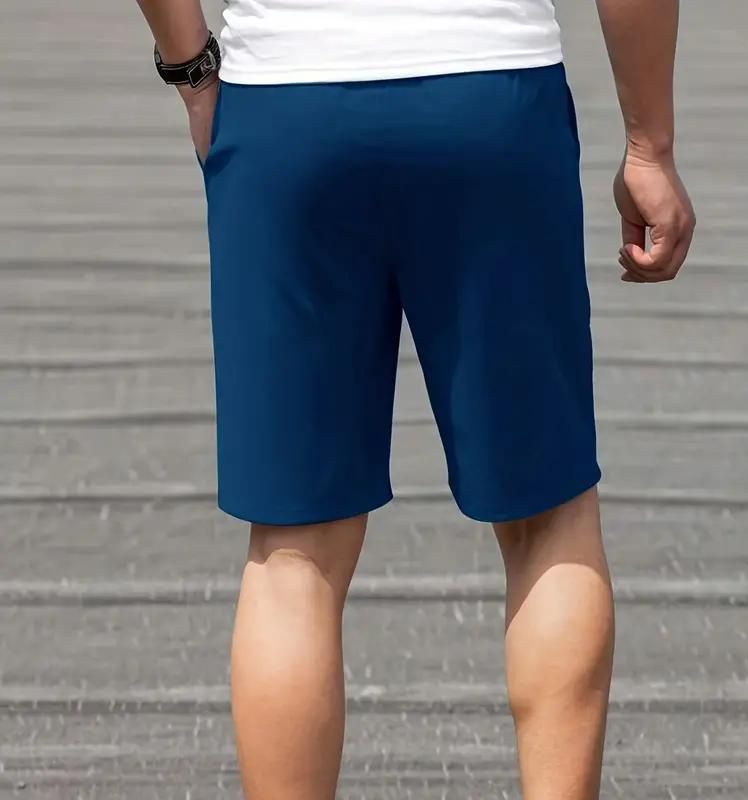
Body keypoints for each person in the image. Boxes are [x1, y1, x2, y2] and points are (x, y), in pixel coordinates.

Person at [135, 0, 695, 797]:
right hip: (490, 94)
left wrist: (192, 71)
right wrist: (649, 146)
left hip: (287, 106)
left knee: (294, 551)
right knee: (548, 520)